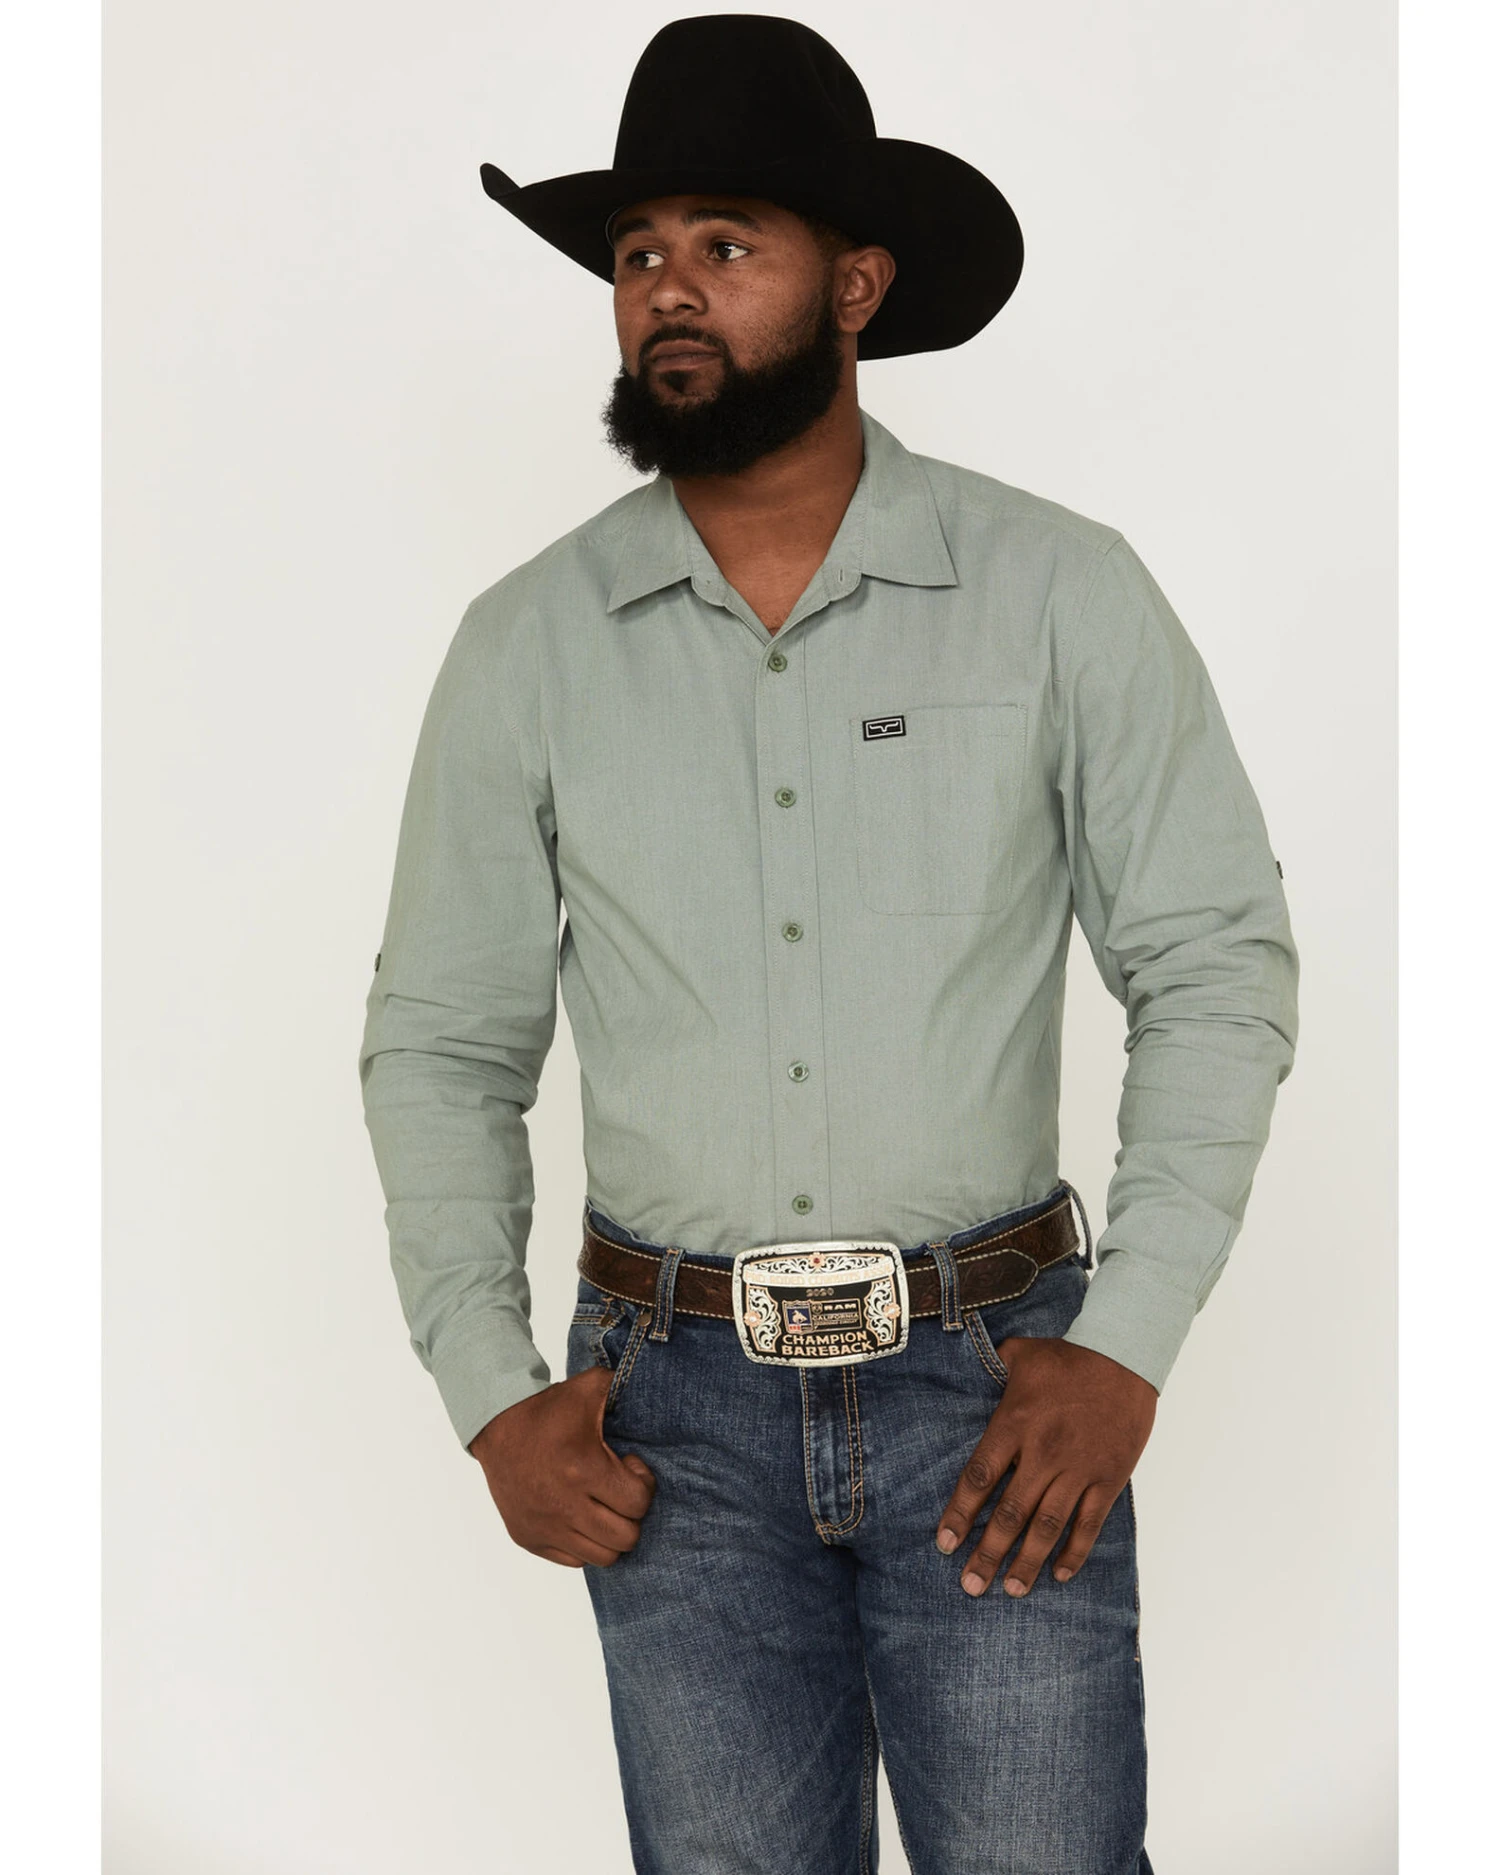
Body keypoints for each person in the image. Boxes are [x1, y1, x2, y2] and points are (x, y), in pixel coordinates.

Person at [358, 16, 1299, 1874]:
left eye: (727, 244)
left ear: (855, 285)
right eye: (638, 252)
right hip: (668, 1415)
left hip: (995, 1393)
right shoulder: (527, 643)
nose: (668, 289)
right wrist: (489, 1391)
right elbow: (443, 1042)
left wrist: (1125, 1344)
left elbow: (1213, 962)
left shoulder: (1060, 592)